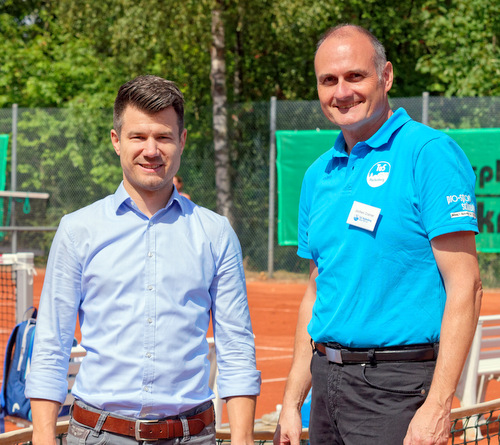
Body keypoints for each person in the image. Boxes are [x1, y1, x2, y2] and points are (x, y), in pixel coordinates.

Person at [274, 24, 482, 445]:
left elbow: (467, 285)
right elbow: (316, 291)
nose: (341, 91)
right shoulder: (317, 175)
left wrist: (439, 405)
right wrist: (293, 402)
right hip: (326, 384)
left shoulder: (428, 153)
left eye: (355, 76)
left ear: (385, 76)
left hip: (397, 389)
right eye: (328, 80)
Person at [25, 75, 261, 445]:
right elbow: (52, 344)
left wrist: (244, 440)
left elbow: (236, 347)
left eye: (164, 137)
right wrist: (42, 437)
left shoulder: (215, 234)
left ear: (182, 141)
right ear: (116, 141)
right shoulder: (77, 231)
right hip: (98, 435)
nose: (151, 150)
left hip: (192, 436)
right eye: (138, 136)